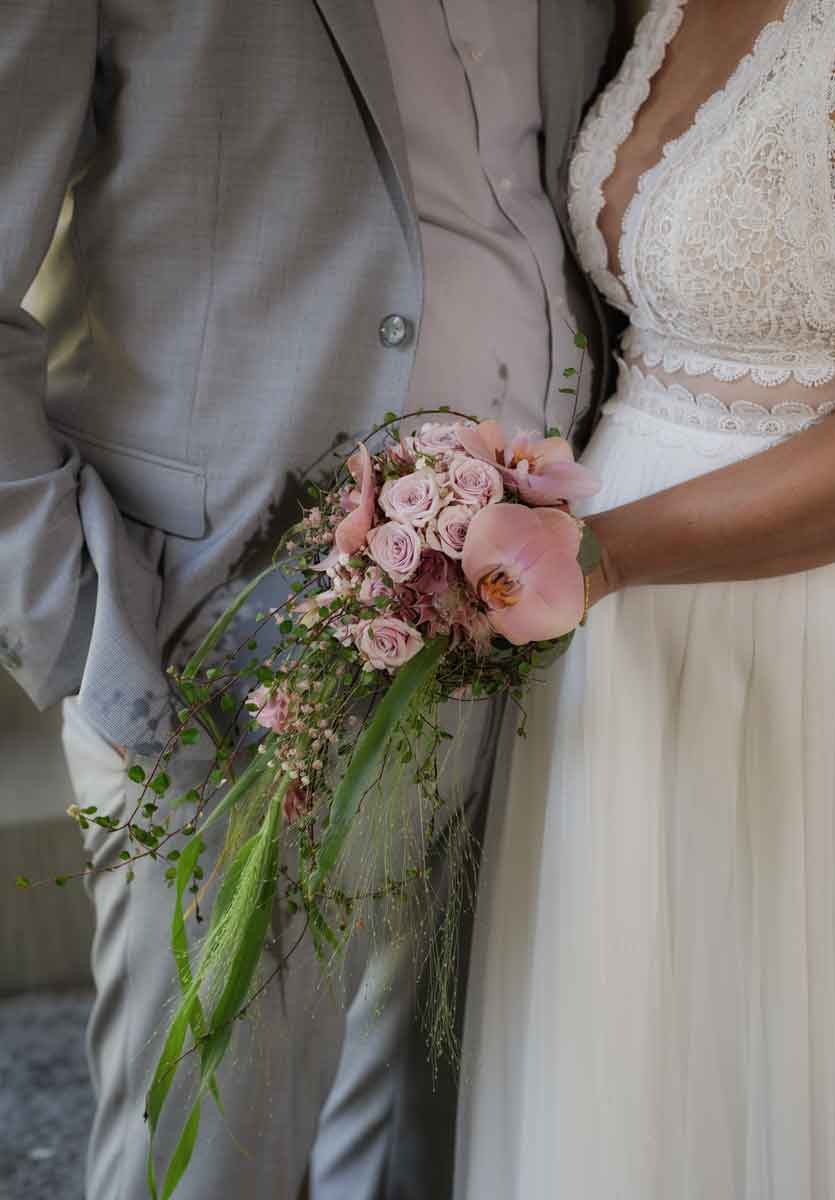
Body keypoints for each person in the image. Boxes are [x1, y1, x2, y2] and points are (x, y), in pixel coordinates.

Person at [0, 2, 616, 1197]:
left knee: (431, 1137)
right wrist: (79, 623)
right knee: (211, 1152)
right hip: (225, 619)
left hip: (549, 609)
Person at [457, 1, 835, 1197]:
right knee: (623, 1052)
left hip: (800, 612)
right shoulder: (651, 3)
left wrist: (605, 554)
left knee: (776, 1039)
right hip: (611, 623)